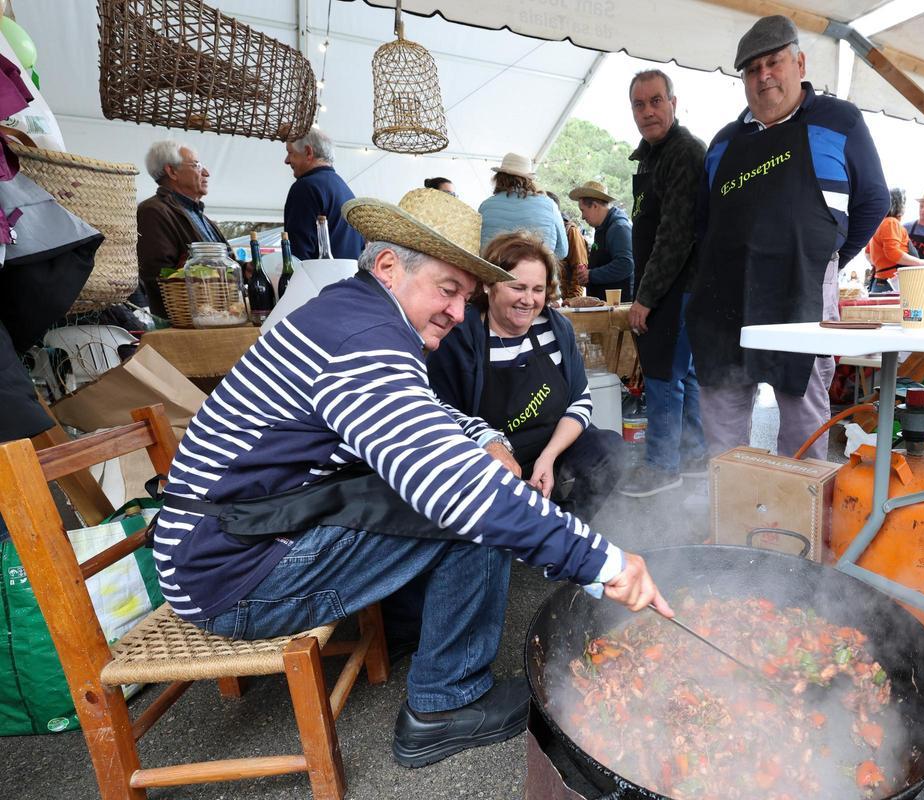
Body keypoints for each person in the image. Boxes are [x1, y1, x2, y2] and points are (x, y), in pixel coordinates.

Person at [151, 189, 671, 768]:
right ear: (389, 267)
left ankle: (423, 646)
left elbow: (422, 411)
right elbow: (454, 490)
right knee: (473, 515)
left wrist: (482, 436)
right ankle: (443, 706)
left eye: (465, 297)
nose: (456, 311)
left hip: (239, 536)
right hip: (231, 572)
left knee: (471, 485)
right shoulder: (362, 339)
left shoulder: (354, 313)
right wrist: (606, 563)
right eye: (448, 291)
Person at [687, 15, 889, 461]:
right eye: (752, 69)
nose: (764, 76)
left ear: (798, 62)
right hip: (726, 300)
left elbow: (873, 201)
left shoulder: (839, 120)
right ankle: (731, 521)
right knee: (723, 429)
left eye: (773, 62)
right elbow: (705, 224)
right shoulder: (723, 143)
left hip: (802, 290)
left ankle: (802, 526)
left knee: (802, 425)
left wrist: (826, 260)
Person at [427, 231, 624, 519]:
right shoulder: (459, 338)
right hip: (492, 451)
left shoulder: (556, 328)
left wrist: (549, 456)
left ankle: (567, 524)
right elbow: (441, 415)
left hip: (552, 443)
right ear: (488, 285)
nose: (528, 300)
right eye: (518, 287)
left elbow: (580, 402)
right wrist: (491, 448)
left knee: (610, 450)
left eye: (538, 289)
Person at [618, 69, 708, 497]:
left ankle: (661, 466)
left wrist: (645, 297)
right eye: (639, 104)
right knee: (683, 376)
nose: (648, 111)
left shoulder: (684, 152)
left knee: (661, 376)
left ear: (673, 102)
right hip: (671, 286)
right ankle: (693, 459)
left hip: (679, 285)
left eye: (656, 101)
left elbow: (675, 235)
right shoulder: (651, 156)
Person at [136, 140, 228, 317]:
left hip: (216, 315)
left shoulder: (200, 215)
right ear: (172, 171)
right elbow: (159, 276)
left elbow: (224, 265)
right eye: (197, 165)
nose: (206, 173)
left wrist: (244, 268)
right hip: (185, 321)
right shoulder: (153, 211)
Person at [283, 128, 363, 261]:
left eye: (290, 153)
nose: (286, 160)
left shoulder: (305, 188)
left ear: (308, 152)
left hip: (319, 280)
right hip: (349, 279)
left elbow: (297, 256)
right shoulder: (345, 189)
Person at [478, 152, 568, 259]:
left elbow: (475, 246)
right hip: (535, 272)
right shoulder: (550, 205)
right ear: (529, 180)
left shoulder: (485, 206)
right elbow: (563, 251)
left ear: (498, 178)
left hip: (492, 271)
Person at [569, 180, 634, 302]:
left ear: (594, 206)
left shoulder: (619, 228)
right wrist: (588, 272)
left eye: (583, 210)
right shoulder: (603, 228)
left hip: (616, 306)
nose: (582, 216)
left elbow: (625, 264)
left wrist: (591, 274)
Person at [867, 187, 924, 291]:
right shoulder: (891, 222)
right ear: (899, 205)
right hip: (892, 285)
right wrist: (921, 263)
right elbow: (892, 252)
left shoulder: (880, 223)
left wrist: (880, 266)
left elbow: (868, 253)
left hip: (881, 283)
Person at [545, 190, 587, 299]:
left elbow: (579, 270)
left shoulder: (571, 231)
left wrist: (571, 301)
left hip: (564, 300)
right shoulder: (543, 231)